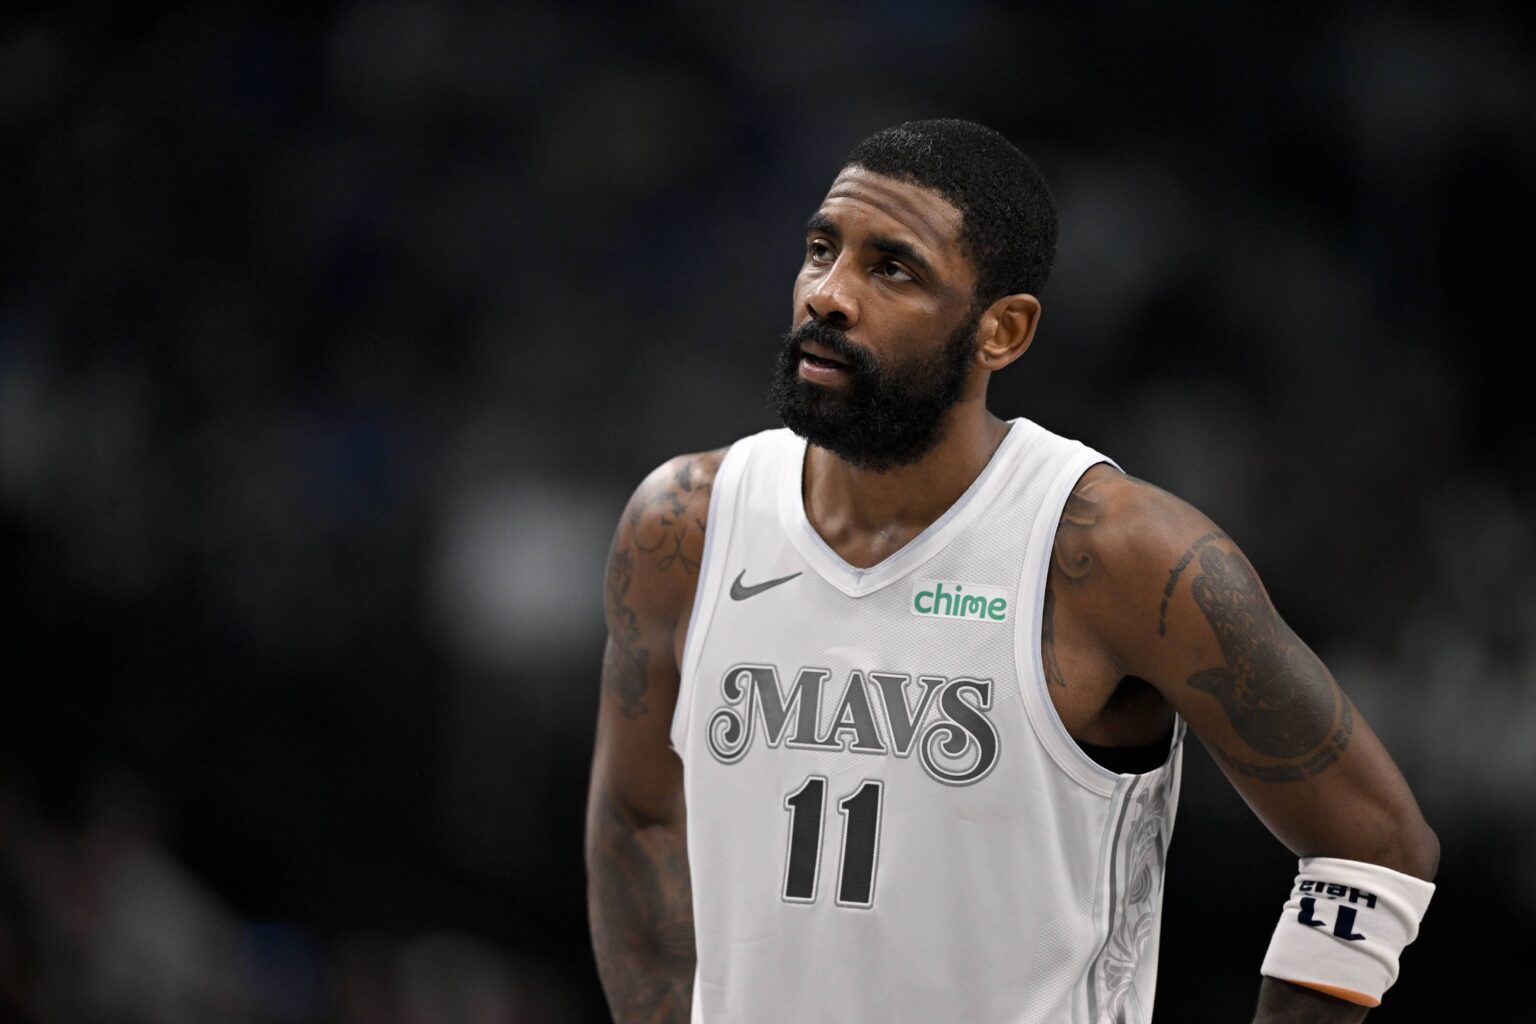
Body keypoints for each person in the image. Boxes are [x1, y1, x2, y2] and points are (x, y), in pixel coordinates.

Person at [584, 119, 1438, 1023]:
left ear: (1003, 330)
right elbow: (637, 816)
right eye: (821, 249)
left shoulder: (1117, 553)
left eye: (893, 268)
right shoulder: (685, 522)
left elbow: (1376, 843)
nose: (828, 296)